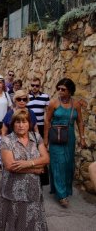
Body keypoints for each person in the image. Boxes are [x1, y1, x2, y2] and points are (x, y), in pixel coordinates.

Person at [0, 109, 49, 230]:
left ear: (29, 124)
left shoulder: (36, 137)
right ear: (13, 124)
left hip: (33, 191)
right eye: (18, 122)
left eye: (24, 122)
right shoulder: (7, 140)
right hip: (12, 192)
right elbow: (11, 166)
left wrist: (27, 163)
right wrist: (35, 169)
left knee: (32, 223)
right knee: (13, 224)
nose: (21, 125)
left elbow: (46, 158)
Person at [44, 78, 86, 208]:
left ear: (70, 91)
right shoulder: (53, 103)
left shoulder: (76, 105)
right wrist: (45, 139)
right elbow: (47, 121)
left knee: (68, 164)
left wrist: (82, 137)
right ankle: (62, 195)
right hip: (56, 137)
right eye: (59, 88)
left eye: (63, 89)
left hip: (69, 138)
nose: (60, 91)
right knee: (58, 164)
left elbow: (80, 121)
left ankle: (64, 189)